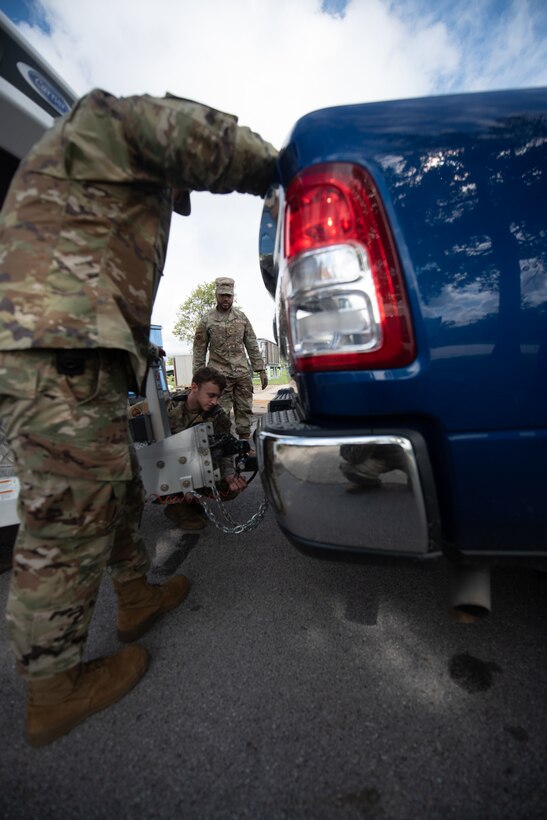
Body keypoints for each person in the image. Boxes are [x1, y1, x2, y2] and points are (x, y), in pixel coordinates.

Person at [0, 88, 277, 747]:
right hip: (55, 349)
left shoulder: (85, 184)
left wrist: (140, 350)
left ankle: (135, 596)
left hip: (79, 352)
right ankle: (54, 691)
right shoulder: (105, 122)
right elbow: (191, 135)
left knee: (117, 491)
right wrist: (277, 167)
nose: (170, 205)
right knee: (64, 522)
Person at [160, 366, 247, 530]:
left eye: (218, 397)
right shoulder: (167, 404)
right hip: (163, 467)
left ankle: (188, 501)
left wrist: (229, 475)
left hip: (192, 465)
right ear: (194, 387)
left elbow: (225, 448)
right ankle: (175, 505)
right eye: (211, 395)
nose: (215, 401)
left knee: (229, 487)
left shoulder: (217, 415)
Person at [192, 277, 268, 453]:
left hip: (242, 373)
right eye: (222, 295)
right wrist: (198, 377)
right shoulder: (207, 320)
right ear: (216, 295)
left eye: (229, 296)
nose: (226, 299)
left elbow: (251, 344)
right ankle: (225, 448)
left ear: (233, 296)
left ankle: (244, 445)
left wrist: (261, 369)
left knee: (244, 410)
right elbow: (199, 349)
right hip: (219, 376)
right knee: (220, 414)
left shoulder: (241, 318)